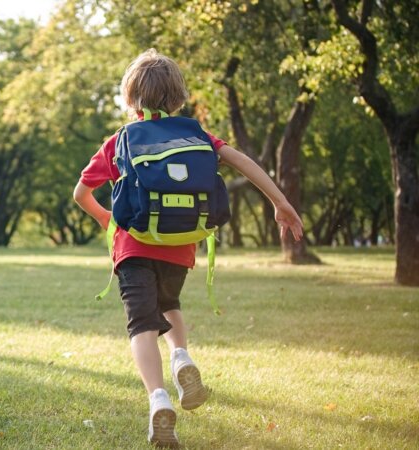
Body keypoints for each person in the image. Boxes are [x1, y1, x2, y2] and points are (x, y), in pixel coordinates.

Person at [72, 48, 304, 448]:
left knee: (141, 325)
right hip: (180, 242)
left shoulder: (121, 140)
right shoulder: (196, 136)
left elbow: (81, 193)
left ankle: (158, 398)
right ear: (179, 98)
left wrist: (106, 219)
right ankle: (182, 357)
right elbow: (242, 162)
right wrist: (279, 202)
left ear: (130, 99)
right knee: (170, 304)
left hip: (133, 246)